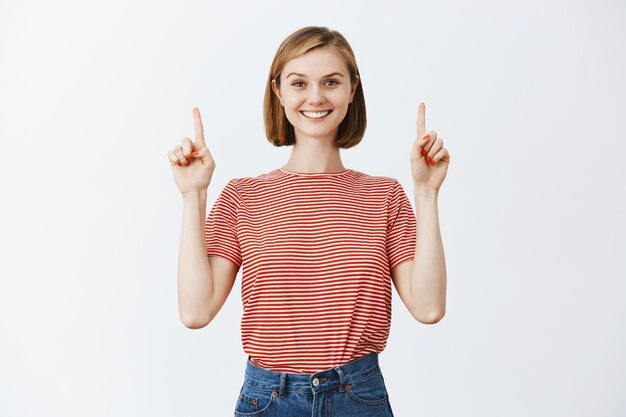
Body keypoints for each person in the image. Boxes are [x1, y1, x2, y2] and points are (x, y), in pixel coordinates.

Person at [167, 26, 450, 417]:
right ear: (278, 91)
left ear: (352, 90)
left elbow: (429, 306)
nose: (315, 97)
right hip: (269, 400)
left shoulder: (384, 196)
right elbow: (195, 312)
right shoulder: (242, 197)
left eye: (331, 82)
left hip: (358, 398)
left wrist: (427, 192)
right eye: (299, 83)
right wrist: (192, 195)